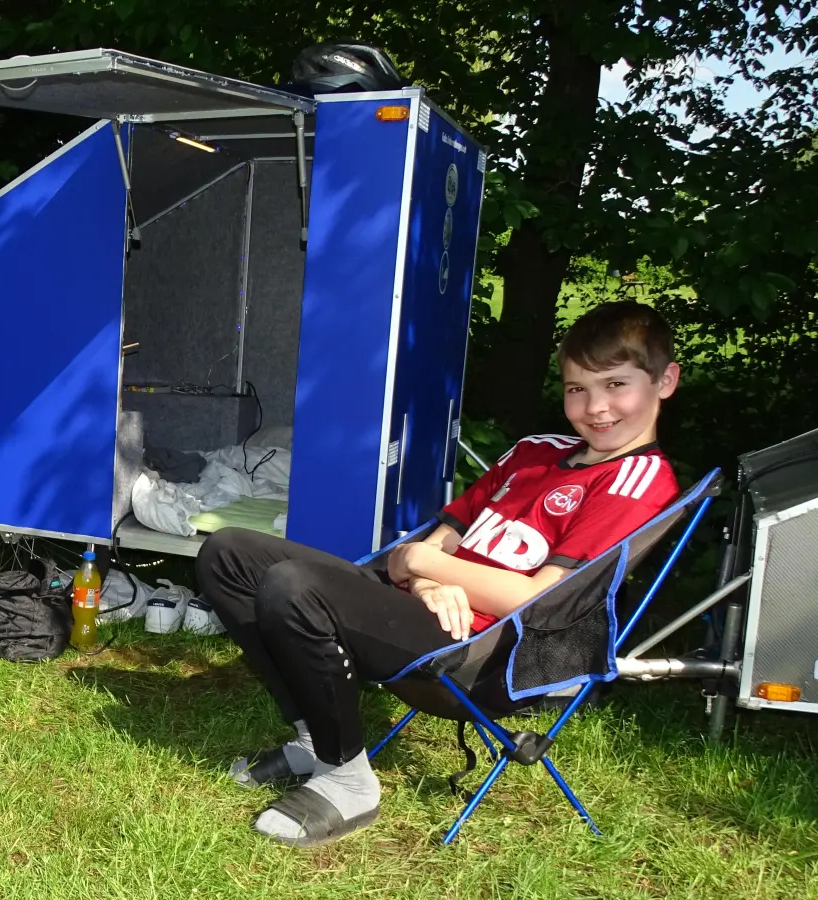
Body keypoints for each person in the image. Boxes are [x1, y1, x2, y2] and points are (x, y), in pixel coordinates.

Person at [195, 301, 681, 846]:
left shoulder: (636, 480)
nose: (595, 407)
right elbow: (438, 538)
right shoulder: (535, 452)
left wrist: (425, 565)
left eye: (616, 384)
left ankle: (348, 781)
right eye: (576, 388)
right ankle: (315, 741)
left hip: (483, 652)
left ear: (665, 381)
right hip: (422, 606)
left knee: (294, 588)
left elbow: (542, 600)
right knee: (227, 552)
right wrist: (426, 577)